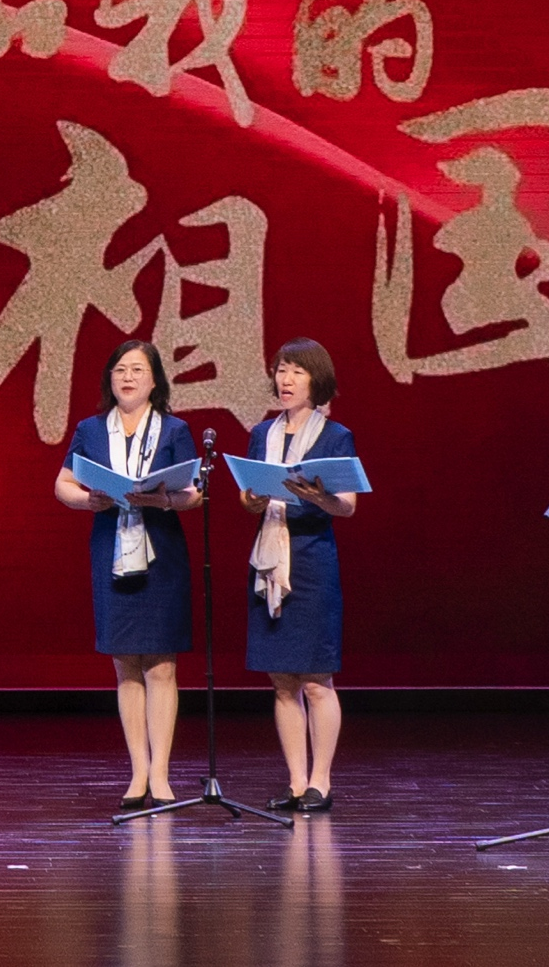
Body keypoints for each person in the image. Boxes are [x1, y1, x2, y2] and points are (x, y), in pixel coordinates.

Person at [54, 340, 200, 811]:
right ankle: (138, 771)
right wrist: (88, 500)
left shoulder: (174, 429)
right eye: (120, 370)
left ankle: (161, 773)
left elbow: (193, 492)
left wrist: (163, 499)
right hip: (111, 546)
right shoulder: (90, 429)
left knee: (161, 664)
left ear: (155, 380)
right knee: (125, 665)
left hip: (161, 551)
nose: (128, 377)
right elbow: (62, 483)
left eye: (138, 370)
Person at [237, 338, 358, 814]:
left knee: (315, 679)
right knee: (282, 680)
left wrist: (317, 496)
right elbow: (249, 496)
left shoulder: (336, 436)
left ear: (316, 380)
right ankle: (294, 782)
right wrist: (252, 498)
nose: (285, 380)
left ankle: (320, 782)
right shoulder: (261, 433)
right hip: (269, 558)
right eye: (281, 370)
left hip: (311, 560)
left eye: (296, 372)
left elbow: (346, 506)